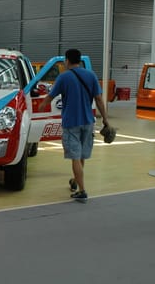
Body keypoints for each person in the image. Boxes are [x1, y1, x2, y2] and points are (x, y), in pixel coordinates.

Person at [38, 49, 111, 203]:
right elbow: (98, 99)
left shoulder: (64, 77)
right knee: (81, 156)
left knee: (75, 157)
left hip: (71, 123)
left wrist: (42, 106)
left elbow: (50, 97)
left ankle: (82, 190)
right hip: (88, 122)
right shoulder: (91, 75)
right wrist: (105, 120)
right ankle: (76, 181)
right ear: (79, 60)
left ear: (67, 60)